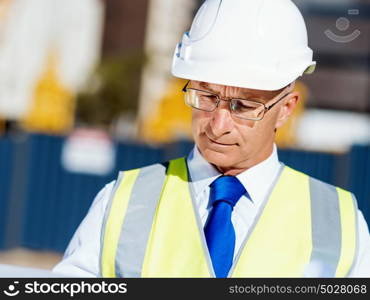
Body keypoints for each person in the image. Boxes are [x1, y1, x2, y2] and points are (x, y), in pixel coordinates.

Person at [53, 0, 370, 277]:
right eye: (206, 96)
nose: (218, 125)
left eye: (243, 106)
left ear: (286, 109)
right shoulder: (121, 201)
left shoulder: (340, 226)